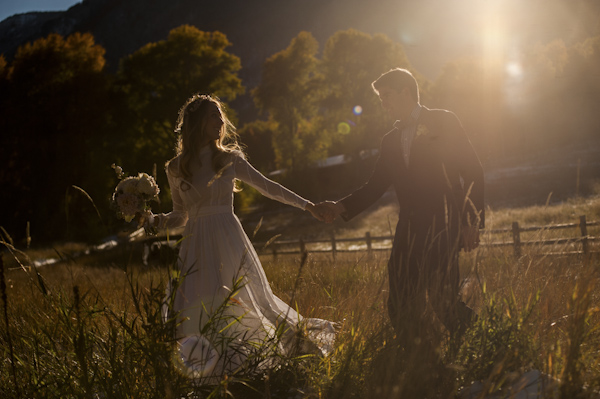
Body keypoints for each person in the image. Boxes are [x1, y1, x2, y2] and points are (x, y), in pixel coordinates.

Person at [144, 94, 335, 379]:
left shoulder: (229, 158)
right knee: (195, 304)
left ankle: (279, 355)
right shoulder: (175, 167)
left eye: (220, 115)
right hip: (195, 243)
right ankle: (207, 371)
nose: (220, 121)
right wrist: (153, 221)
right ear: (196, 123)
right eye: (213, 115)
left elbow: (268, 187)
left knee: (246, 300)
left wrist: (308, 205)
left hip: (227, 238)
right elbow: (180, 215)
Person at [315, 68, 484, 343]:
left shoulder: (443, 121)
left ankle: (487, 343)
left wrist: (471, 222)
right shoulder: (390, 140)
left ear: (406, 92)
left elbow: (473, 171)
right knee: (400, 304)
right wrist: (339, 207)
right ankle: (419, 359)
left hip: (444, 225)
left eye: (387, 96)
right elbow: (375, 186)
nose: (383, 103)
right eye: (381, 98)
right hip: (408, 231)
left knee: (443, 304)